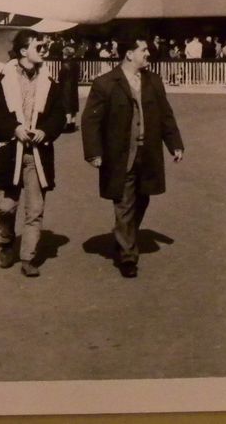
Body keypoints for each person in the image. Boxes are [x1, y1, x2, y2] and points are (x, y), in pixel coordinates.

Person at [80, 38, 184, 278]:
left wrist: (175, 145)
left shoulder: (153, 81)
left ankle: (123, 235)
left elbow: (165, 115)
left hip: (148, 154)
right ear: (129, 54)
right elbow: (90, 121)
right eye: (144, 50)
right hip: (120, 156)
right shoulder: (105, 83)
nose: (148, 53)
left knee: (143, 199)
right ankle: (128, 256)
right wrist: (94, 153)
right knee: (124, 202)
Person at [0, 30, 67, 277]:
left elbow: (59, 115)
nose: (44, 50)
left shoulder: (50, 83)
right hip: (10, 152)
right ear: (23, 51)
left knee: (35, 209)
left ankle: (28, 257)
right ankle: (7, 241)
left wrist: (45, 130)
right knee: (7, 206)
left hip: (38, 155)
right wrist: (14, 128)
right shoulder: (2, 81)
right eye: (38, 46)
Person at [57, 42, 81, 133]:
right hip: (74, 86)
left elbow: (60, 78)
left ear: (66, 55)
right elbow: (79, 75)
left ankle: (67, 125)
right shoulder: (76, 64)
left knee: (67, 107)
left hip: (66, 87)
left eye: (63, 54)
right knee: (73, 106)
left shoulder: (65, 65)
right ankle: (72, 125)